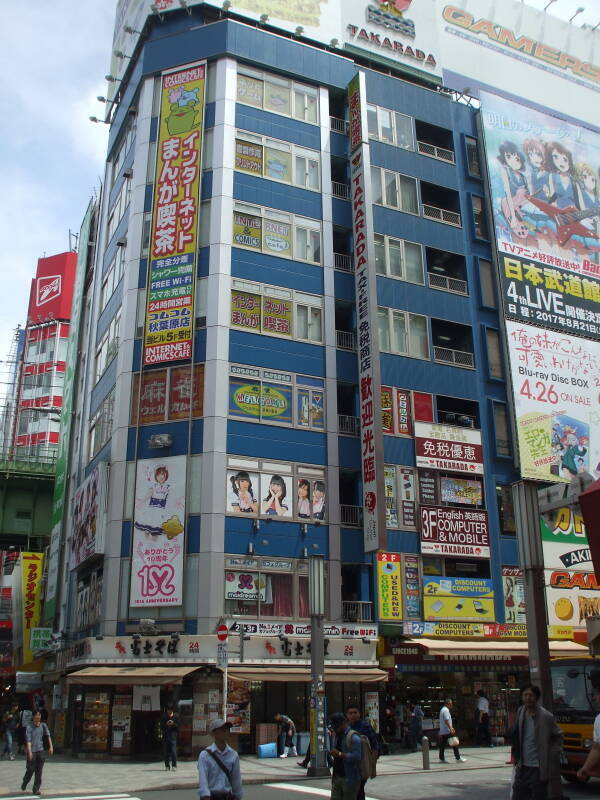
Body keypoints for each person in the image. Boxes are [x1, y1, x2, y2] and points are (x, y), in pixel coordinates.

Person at [511, 684, 562, 800]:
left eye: (531, 695)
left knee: (538, 795)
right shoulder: (521, 712)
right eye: (525, 695)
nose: (528, 698)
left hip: (538, 767)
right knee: (518, 795)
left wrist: (552, 754)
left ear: (537, 698)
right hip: (522, 765)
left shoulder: (546, 716)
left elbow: (558, 736)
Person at [198, 718, 242, 800]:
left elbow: (236, 780)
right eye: (222, 729)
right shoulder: (205, 755)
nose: (225, 731)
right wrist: (205, 795)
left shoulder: (233, 755)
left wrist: (238, 796)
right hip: (211, 797)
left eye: (227, 729)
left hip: (228, 796)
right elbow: (203, 779)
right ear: (214, 733)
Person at [345, 704, 378, 800]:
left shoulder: (365, 726)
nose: (353, 715)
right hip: (351, 764)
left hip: (363, 763)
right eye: (350, 713)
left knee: (358, 788)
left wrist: (373, 763)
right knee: (356, 790)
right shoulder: (346, 727)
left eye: (355, 713)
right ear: (347, 715)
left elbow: (375, 744)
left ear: (359, 714)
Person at [328, 711, 362, 800]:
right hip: (337, 776)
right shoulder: (337, 736)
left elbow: (357, 756)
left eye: (336, 727)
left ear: (343, 724)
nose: (335, 729)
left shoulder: (353, 737)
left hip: (349, 777)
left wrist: (339, 754)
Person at [21, 710, 53, 796]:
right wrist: (29, 752)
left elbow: (48, 736)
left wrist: (51, 746)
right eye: (37, 716)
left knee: (39, 771)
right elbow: (28, 741)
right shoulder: (29, 727)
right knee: (30, 770)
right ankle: (25, 781)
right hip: (32, 751)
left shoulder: (43, 725)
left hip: (40, 750)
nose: (38, 717)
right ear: (33, 717)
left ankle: (36, 789)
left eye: (39, 715)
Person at [577, 682, 600, 781]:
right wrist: (586, 768)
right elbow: (597, 749)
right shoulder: (599, 719)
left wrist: (585, 768)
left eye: (595, 694)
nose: (594, 698)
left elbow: (597, 749)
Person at [438, 699, 466, 764]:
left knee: (443, 745)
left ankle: (441, 758)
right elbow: (446, 720)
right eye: (450, 704)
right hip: (447, 730)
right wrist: (451, 728)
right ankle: (458, 758)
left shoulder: (442, 710)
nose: (451, 705)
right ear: (447, 704)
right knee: (454, 743)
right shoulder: (446, 710)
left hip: (443, 730)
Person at [161, 707, 178, 771]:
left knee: (173, 752)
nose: (169, 712)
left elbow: (178, 727)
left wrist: (173, 724)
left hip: (173, 737)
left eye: (170, 711)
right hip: (165, 737)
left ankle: (174, 766)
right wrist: (166, 724)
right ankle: (167, 766)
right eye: (168, 711)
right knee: (166, 753)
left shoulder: (176, 717)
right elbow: (161, 727)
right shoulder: (164, 717)